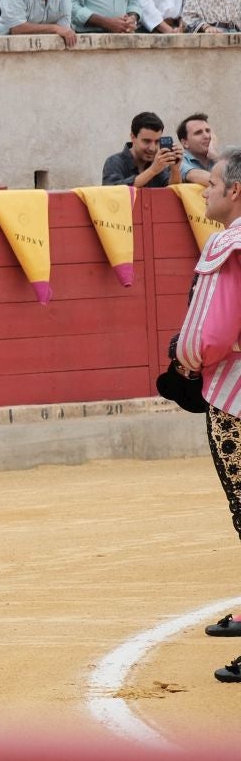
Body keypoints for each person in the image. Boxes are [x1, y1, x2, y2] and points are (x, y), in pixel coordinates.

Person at [172, 148, 241, 685]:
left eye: (213, 184)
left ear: (236, 191)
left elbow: (208, 336)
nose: (205, 190)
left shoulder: (226, 243)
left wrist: (185, 359)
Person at [102, 110, 183, 187]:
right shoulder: (114, 162)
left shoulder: (157, 163)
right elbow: (114, 191)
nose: (152, 148)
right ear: (133, 137)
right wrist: (152, 170)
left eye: (157, 141)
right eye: (146, 141)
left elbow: (172, 190)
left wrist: (175, 169)